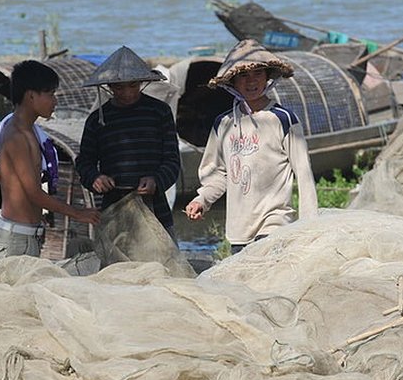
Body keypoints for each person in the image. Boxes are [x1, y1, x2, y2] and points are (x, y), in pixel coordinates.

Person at [184, 39, 317, 254]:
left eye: (258, 74)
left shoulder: (283, 119)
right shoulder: (223, 124)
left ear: (267, 78)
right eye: (243, 76)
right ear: (233, 82)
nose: (251, 81)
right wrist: (202, 200)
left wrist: (310, 225)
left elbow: (303, 172)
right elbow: (217, 174)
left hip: (275, 223)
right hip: (239, 229)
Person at [0, 60, 100, 261]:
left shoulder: (26, 130)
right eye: (50, 94)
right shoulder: (18, 136)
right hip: (15, 238)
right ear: (31, 96)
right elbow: (34, 193)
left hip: (25, 232)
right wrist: (77, 213)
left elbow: (2, 174)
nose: (55, 101)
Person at [76, 46, 181, 236]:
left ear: (141, 82)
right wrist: (95, 178)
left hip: (156, 210)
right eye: (119, 87)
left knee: (165, 264)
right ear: (109, 87)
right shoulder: (97, 119)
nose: (127, 92)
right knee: (117, 265)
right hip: (115, 210)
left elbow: (173, 161)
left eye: (133, 85)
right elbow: (84, 162)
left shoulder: (159, 112)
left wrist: (155, 181)